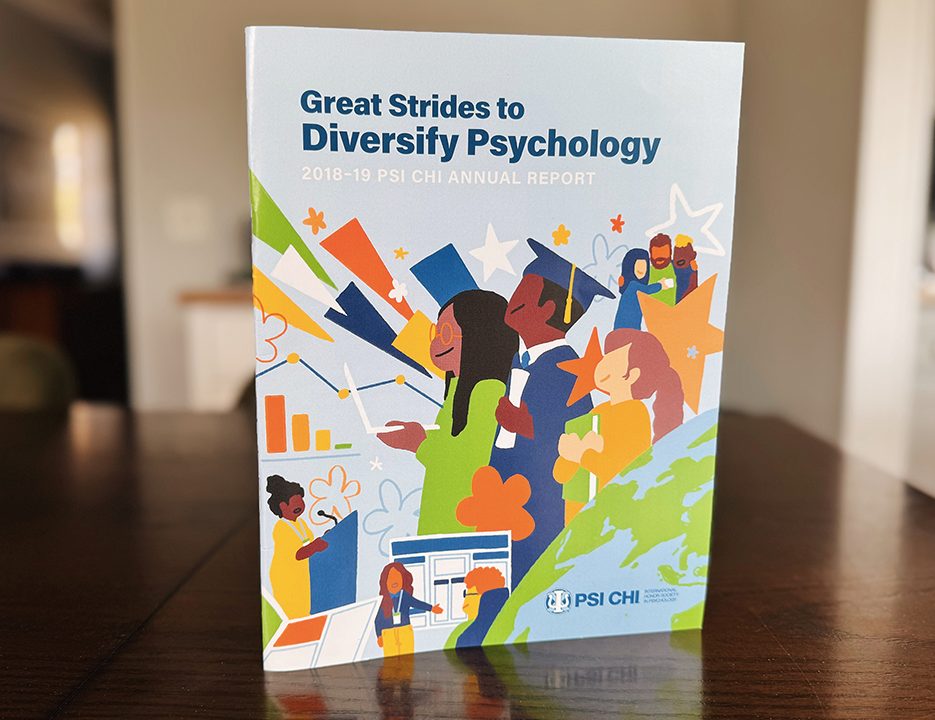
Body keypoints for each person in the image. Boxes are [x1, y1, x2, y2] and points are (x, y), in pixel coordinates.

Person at [490, 239, 613, 589]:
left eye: (522, 292)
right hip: (505, 499)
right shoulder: (518, 361)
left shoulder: (569, 368)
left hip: (544, 509)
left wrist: (526, 426)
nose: (512, 298)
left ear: (546, 309)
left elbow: (581, 439)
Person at [379, 289, 518, 535]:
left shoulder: (489, 392)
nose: (436, 344)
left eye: (445, 334)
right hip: (442, 513)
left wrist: (419, 443)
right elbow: (449, 441)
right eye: (436, 333)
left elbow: (471, 460)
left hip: (464, 520)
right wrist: (418, 435)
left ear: (480, 336)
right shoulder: (457, 388)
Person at [554, 329, 684, 521]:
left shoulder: (634, 413)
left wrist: (583, 454)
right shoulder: (596, 412)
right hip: (576, 516)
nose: (602, 364)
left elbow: (625, 473)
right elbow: (560, 476)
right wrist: (568, 455)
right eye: (605, 356)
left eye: (612, 358)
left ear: (632, 375)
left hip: (610, 517)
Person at [266, 474, 328, 619]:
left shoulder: (301, 523)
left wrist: (326, 538)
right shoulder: (281, 527)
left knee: (305, 609)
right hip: (287, 578)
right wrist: (315, 546)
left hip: (302, 575)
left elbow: (308, 542)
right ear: (283, 506)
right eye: (295, 503)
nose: (300, 506)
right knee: (293, 611)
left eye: (301, 502)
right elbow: (297, 554)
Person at [374, 561, 442, 657]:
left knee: (407, 659)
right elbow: (378, 620)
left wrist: (431, 608)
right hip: (388, 634)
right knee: (391, 661)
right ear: (385, 582)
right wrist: (379, 636)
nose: (394, 581)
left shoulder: (404, 595)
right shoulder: (383, 600)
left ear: (403, 579)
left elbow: (416, 603)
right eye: (391, 578)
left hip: (405, 631)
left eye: (397, 577)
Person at [445, 566, 509, 650]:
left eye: (468, 594)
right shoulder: (507, 625)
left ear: (484, 598)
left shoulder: (463, 634)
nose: (466, 600)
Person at [614, 248, 661, 330]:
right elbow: (648, 289)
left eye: (644, 266)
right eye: (638, 266)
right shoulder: (633, 285)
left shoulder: (636, 289)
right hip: (625, 329)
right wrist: (661, 285)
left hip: (632, 328)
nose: (642, 269)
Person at [647, 233, 677, 306]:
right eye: (656, 253)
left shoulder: (677, 269)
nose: (660, 256)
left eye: (664, 252)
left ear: (670, 253)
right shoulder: (646, 272)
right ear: (650, 254)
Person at [672, 234, 699, 303]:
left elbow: (693, 287)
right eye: (678, 253)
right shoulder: (671, 265)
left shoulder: (691, 269)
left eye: (684, 253)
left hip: (684, 302)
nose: (680, 256)